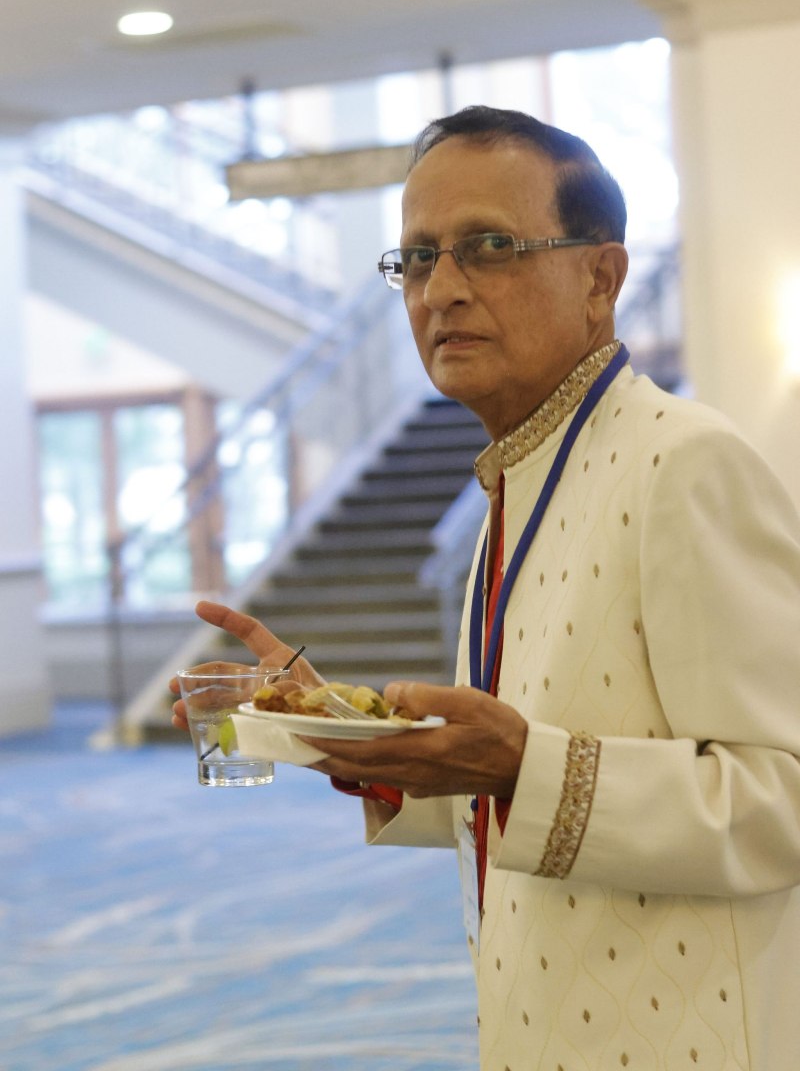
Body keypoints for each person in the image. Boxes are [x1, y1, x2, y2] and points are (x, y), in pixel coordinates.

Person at [172, 105, 800, 1070]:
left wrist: (522, 767)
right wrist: (334, 726)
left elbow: (782, 800)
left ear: (601, 278)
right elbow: (509, 777)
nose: (442, 289)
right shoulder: (521, 475)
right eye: (418, 258)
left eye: (489, 247)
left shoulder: (682, 464)